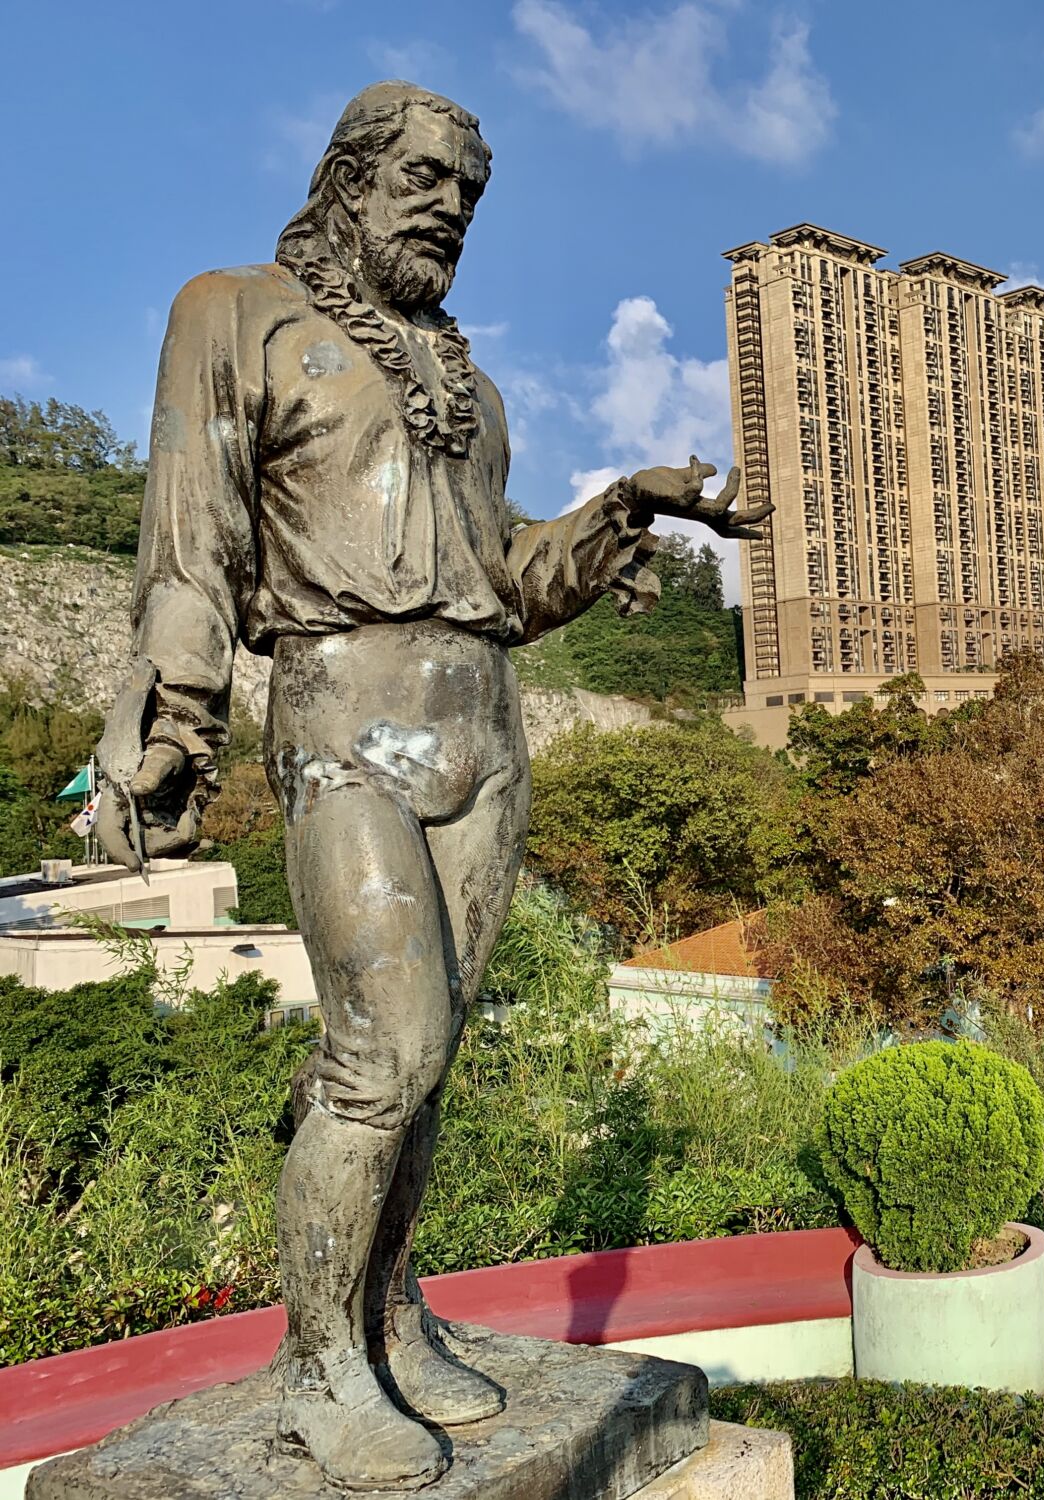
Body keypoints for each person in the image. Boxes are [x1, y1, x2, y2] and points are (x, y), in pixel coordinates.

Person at [97, 81, 768, 1491]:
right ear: (346, 177)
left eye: (469, 190)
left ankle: (390, 1315)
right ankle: (321, 1362)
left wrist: (621, 514)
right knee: (381, 1050)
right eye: (422, 177)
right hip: (342, 722)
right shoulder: (233, 315)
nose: (450, 207)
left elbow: (503, 589)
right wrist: (170, 723)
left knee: (433, 1068)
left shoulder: (473, 390)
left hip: (486, 735)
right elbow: (189, 541)